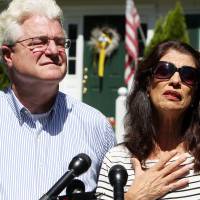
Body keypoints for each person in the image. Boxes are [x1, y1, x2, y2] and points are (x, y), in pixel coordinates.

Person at [0, 0, 116, 199]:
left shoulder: (96, 125)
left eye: (60, 42)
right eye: (39, 42)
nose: (54, 51)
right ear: (8, 55)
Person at [97, 40, 200, 200]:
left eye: (188, 75)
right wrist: (134, 197)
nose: (175, 81)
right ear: (147, 85)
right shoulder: (117, 159)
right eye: (164, 70)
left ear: (194, 94)